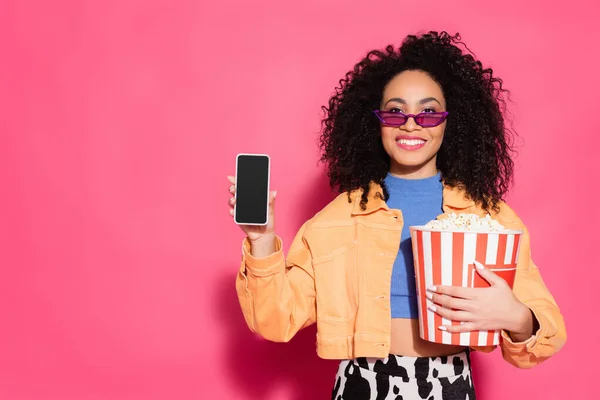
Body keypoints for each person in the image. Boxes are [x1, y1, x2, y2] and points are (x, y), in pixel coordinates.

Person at [227, 31, 566, 399]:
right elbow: (275, 320)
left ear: (452, 121)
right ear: (376, 121)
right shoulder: (337, 219)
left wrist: (517, 317)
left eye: (429, 111)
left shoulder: (489, 217)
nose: (410, 123)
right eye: (395, 111)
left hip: (449, 383)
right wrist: (260, 240)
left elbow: (546, 335)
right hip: (362, 384)